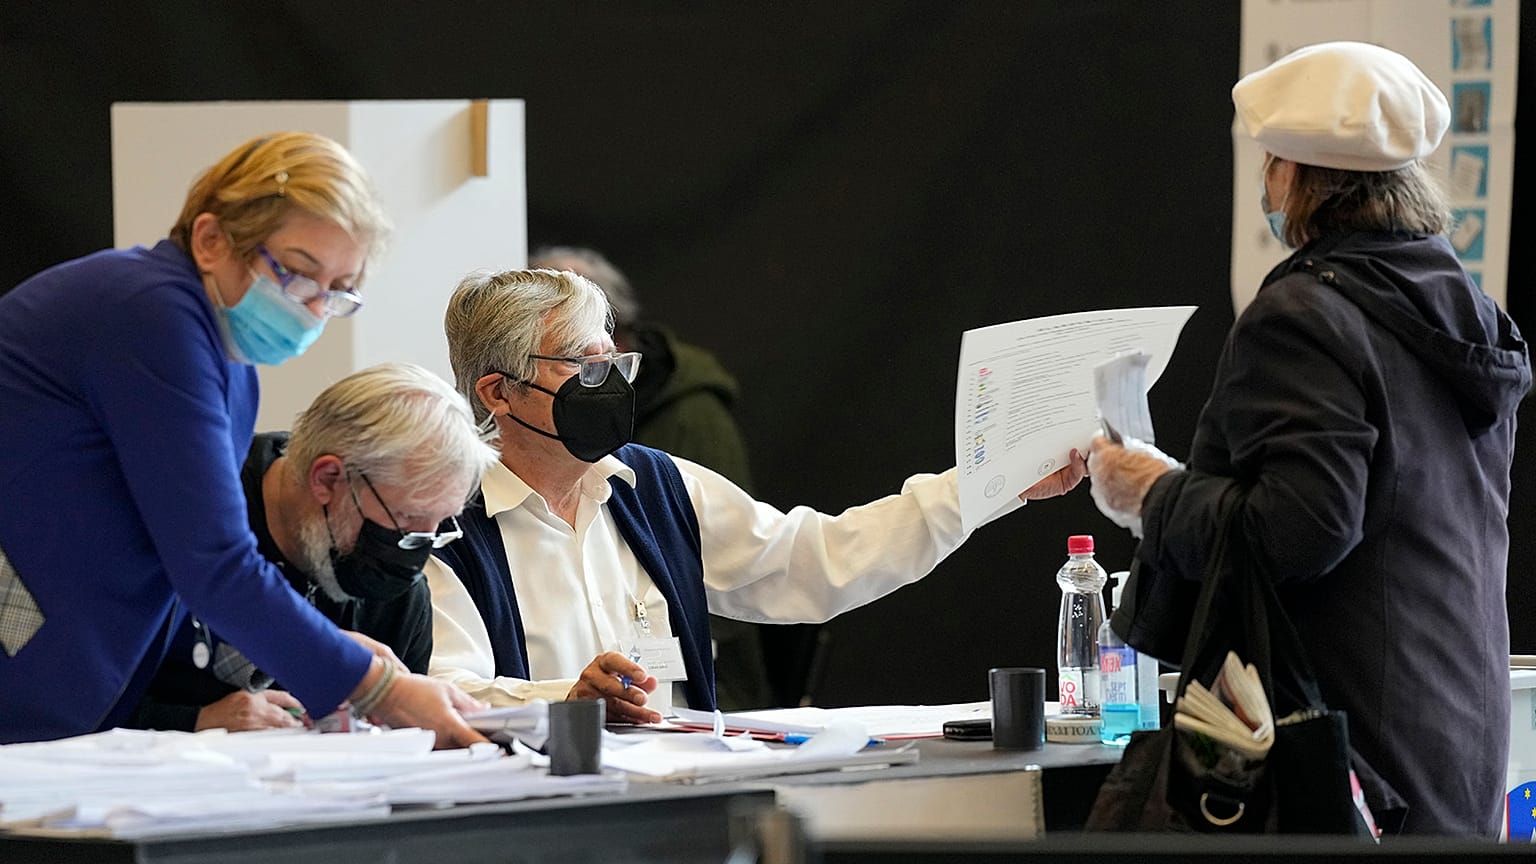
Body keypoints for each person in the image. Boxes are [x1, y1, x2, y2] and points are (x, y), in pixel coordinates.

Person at [1086, 42, 1530, 835]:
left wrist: (1152, 492)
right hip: (1456, 749)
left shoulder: (1305, 315)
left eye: (1269, 163)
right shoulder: (1463, 309)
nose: (1265, 184)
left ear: (1297, 175)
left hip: (1348, 760)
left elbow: (1300, 530)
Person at [427, 267, 1087, 723]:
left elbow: (821, 560)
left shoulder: (658, 487)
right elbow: (443, 692)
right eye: (585, 366)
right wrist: (563, 702)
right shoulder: (445, 522)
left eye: (615, 364)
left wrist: (987, 484)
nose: (611, 385)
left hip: (681, 807)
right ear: (498, 392)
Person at [0, 132, 486, 746]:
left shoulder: (229, 366)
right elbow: (213, 564)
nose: (313, 310)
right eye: (299, 275)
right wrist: (378, 688)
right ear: (210, 241)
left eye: (338, 291)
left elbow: (178, 575)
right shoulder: (150, 315)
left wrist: (326, 655)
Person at [129, 362, 499, 732]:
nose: (414, 549)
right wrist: (193, 722)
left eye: (438, 525)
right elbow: (84, 691)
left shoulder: (395, 592)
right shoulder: (188, 522)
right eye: (406, 518)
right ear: (328, 478)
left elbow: (402, 741)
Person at [526, 245, 786, 710]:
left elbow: (757, 562)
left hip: (703, 697)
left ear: (616, 335)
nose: (598, 379)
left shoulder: (688, 423)